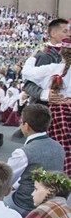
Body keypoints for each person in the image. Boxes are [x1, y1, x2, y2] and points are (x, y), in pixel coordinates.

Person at [21, 36, 71, 174]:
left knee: (54, 148)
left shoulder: (52, 69)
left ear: (61, 52)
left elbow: (26, 72)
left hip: (56, 114)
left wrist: (32, 57)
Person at [5, 104, 65, 217]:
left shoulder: (23, 152)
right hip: (53, 202)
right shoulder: (59, 147)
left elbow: (5, 180)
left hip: (26, 204)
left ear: (26, 125)